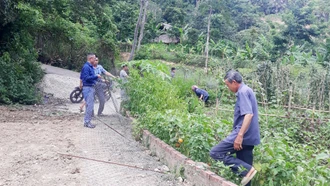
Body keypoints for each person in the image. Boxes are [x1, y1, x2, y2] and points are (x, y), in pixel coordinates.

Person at [209, 70, 260, 186]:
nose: (228, 88)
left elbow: (248, 115)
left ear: (234, 82)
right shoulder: (248, 90)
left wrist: (239, 136)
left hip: (243, 135)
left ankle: (248, 170)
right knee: (246, 175)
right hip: (250, 137)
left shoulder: (242, 92)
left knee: (215, 153)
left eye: (228, 85)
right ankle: (247, 171)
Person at [80, 53, 101, 128]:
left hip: (90, 87)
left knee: (89, 105)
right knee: (89, 106)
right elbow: (85, 78)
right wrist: (96, 76)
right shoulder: (86, 67)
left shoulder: (90, 67)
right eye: (94, 58)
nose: (95, 60)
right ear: (90, 59)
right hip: (88, 88)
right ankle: (87, 122)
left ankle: (87, 121)